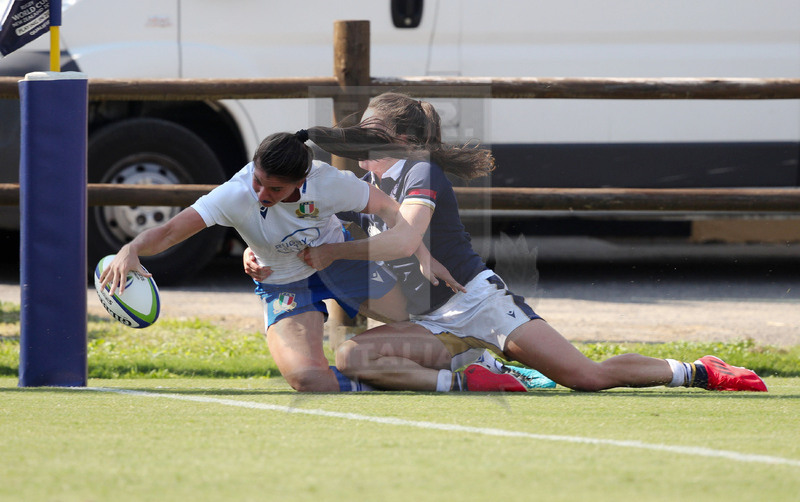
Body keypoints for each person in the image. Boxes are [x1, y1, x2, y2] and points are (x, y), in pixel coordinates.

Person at [287, 92, 767, 393]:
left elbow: (403, 239)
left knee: (586, 377)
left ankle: (696, 370)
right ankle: (470, 377)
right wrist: (259, 242)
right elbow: (298, 214)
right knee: (353, 356)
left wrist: (332, 253)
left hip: (479, 305)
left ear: (404, 137)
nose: (359, 137)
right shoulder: (362, 188)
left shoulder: (420, 170)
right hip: (431, 322)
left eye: (372, 129)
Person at [99, 128, 460, 393]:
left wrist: (424, 257)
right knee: (307, 379)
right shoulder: (235, 193)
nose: (261, 193)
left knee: (421, 326)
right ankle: (380, 384)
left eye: (275, 189)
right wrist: (131, 249)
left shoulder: (329, 182)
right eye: (258, 181)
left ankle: (478, 364)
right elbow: (169, 232)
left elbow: (394, 211)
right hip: (282, 282)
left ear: (302, 181)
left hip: (342, 262)